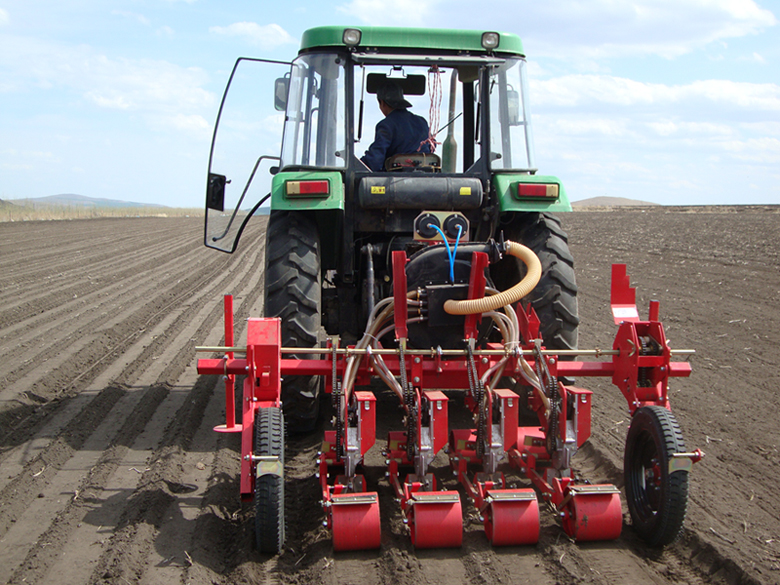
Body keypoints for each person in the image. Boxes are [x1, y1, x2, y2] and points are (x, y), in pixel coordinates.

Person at [360, 82, 431, 172]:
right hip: (425, 177)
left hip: (396, 181)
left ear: (382, 103)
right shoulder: (422, 122)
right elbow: (432, 146)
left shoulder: (386, 125)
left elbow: (375, 161)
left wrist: (359, 164)